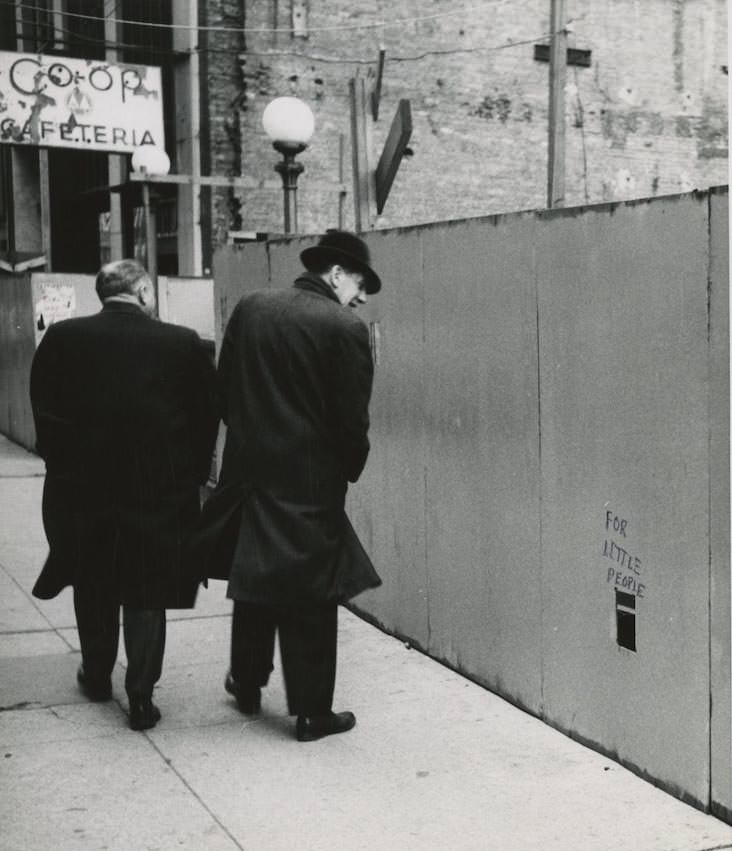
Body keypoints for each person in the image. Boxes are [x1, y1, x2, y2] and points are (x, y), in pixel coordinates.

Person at [194, 229, 382, 742]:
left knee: (254, 579)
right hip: (308, 482)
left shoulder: (251, 308)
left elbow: (226, 393)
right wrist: (348, 466)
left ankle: (248, 682)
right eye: (360, 284)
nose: (362, 297)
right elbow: (350, 423)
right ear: (337, 273)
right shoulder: (344, 328)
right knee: (312, 595)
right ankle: (311, 712)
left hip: (249, 474)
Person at [30, 259, 218, 731]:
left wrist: (64, 466)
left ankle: (96, 674)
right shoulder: (182, 344)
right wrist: (191, 476)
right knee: (146, 589)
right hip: (157, 491)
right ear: (144, 292)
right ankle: (140, 696)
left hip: (82, 489)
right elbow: (206, 417)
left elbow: (44, 413)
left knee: (92, 579)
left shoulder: (62, 338)